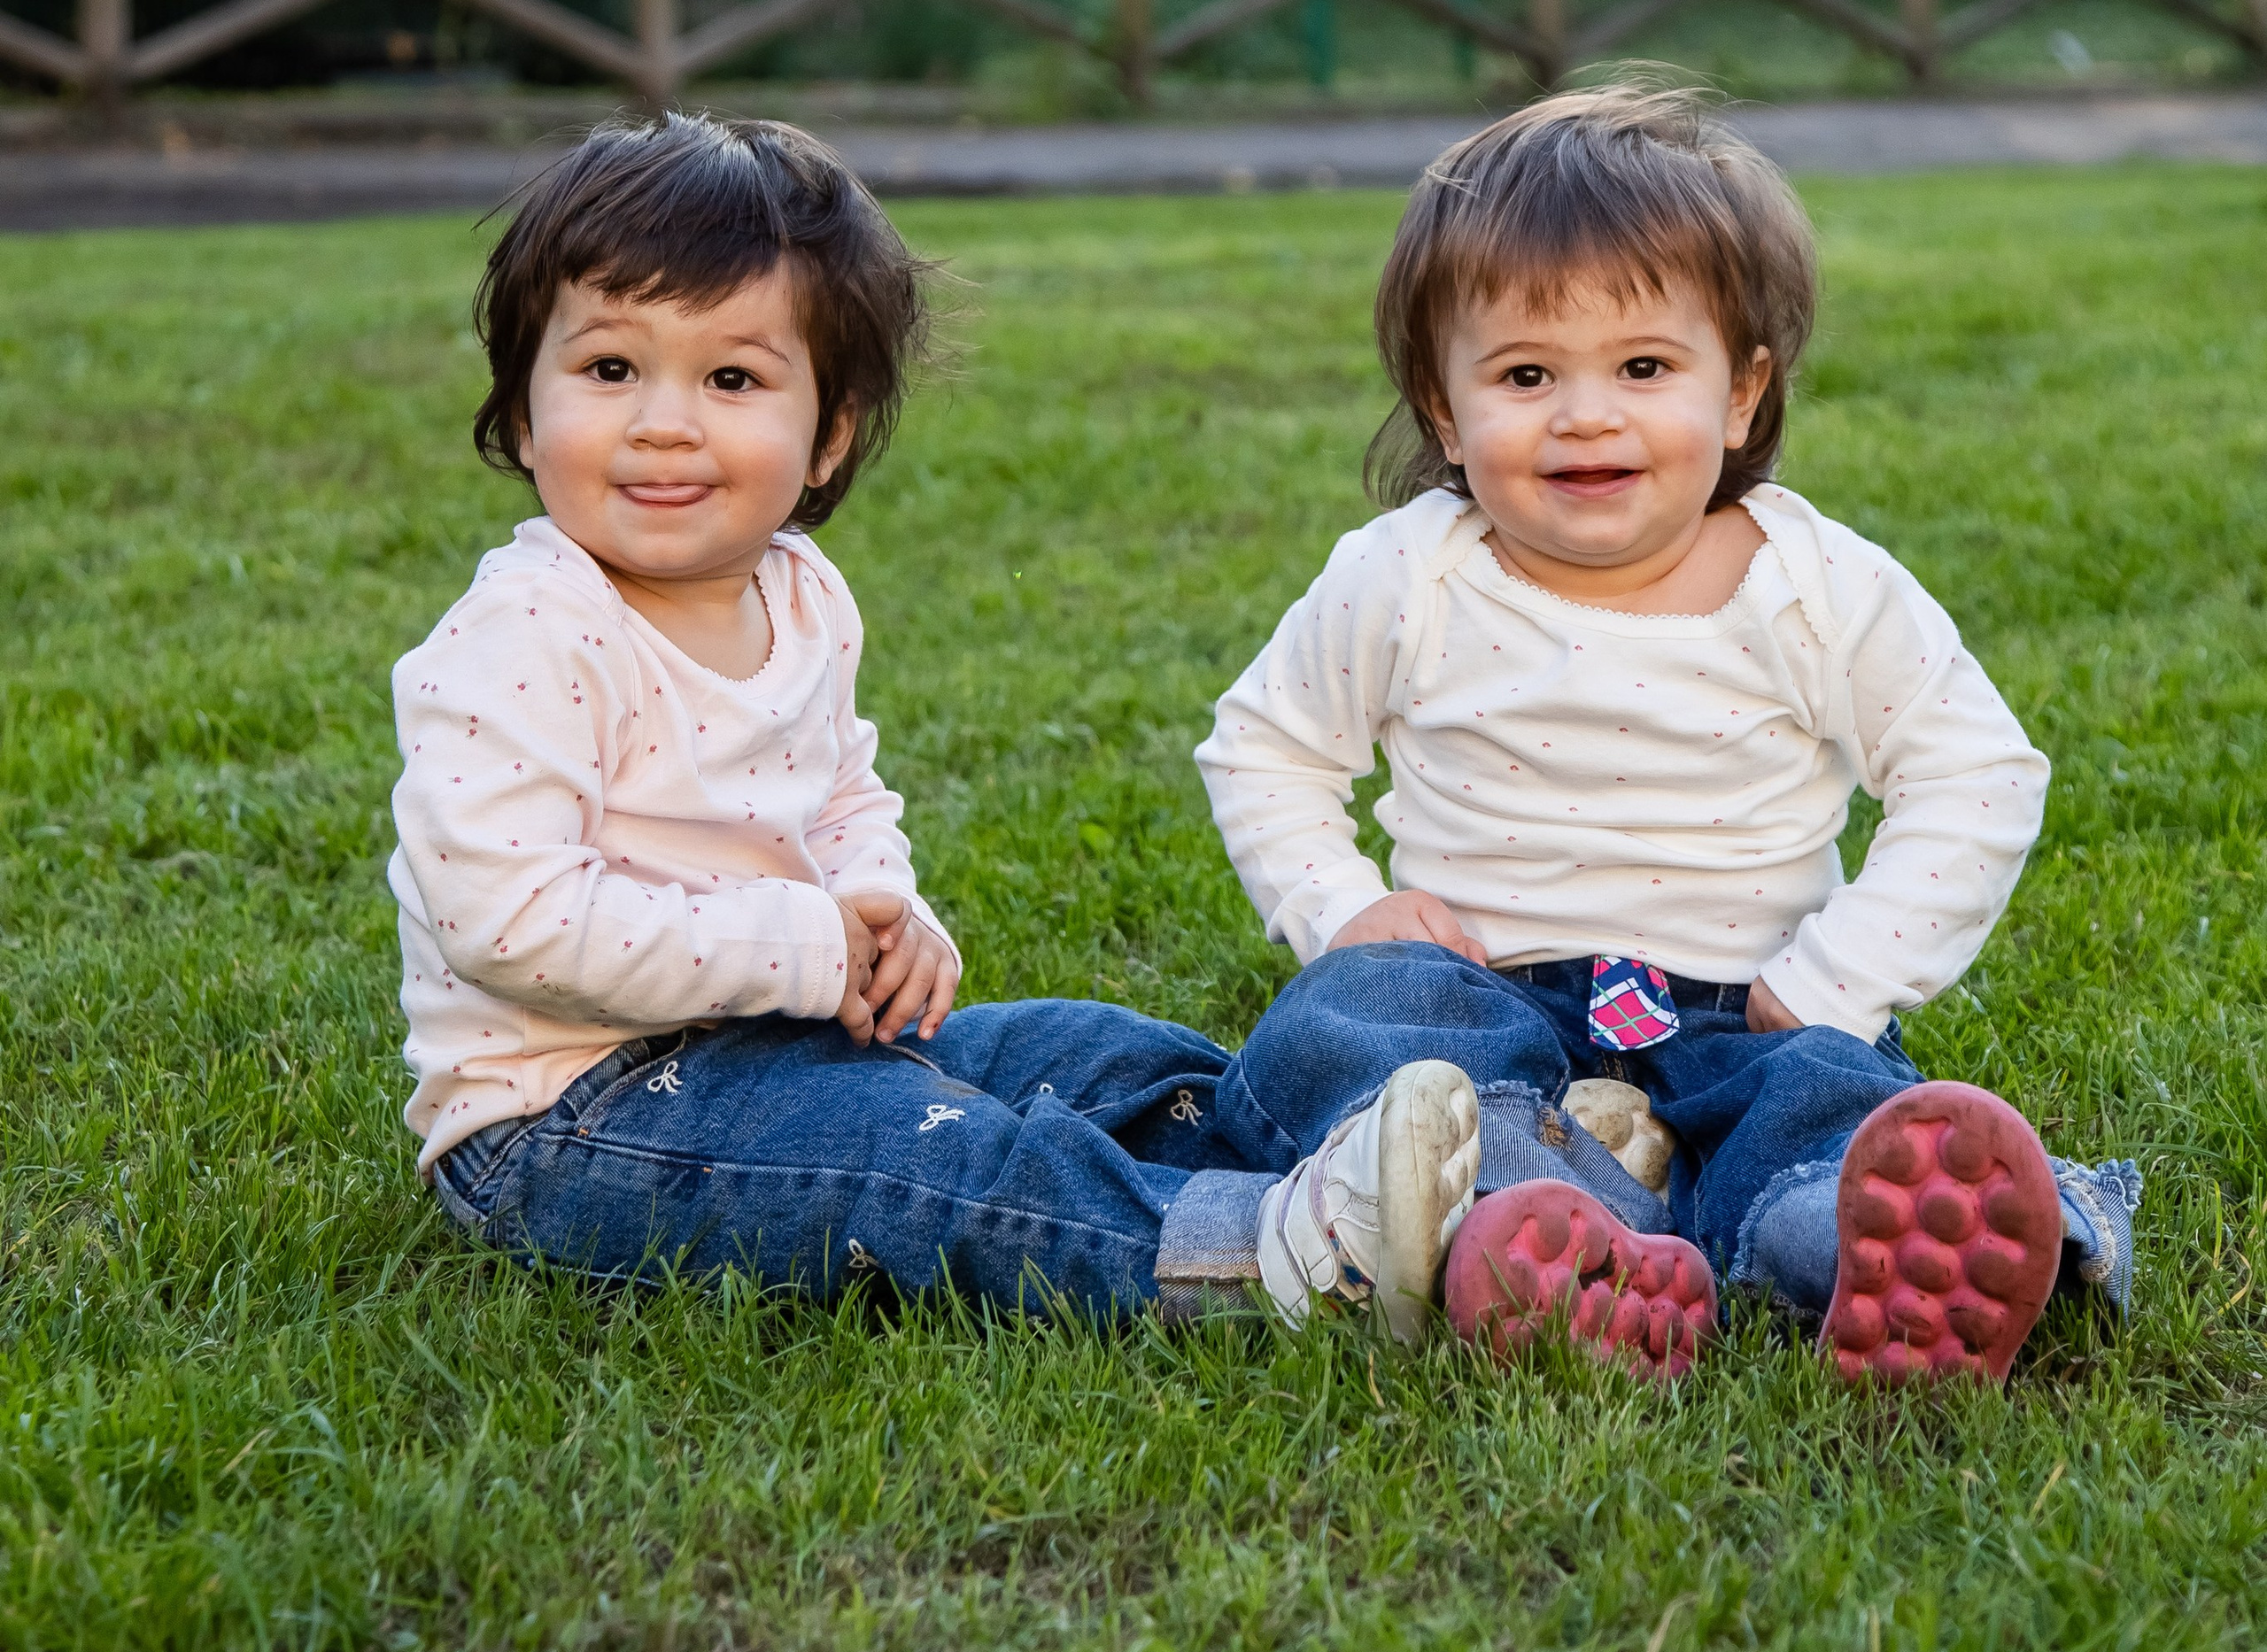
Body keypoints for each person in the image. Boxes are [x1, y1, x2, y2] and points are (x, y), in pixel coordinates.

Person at [390, 112, 1485, 1337]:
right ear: (523, 411)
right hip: (572, 1121)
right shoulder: (525, 635)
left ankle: (1448, 1181)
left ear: (829, 434)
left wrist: (883, 908)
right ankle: (1278, 1259)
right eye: (608, 371)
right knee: (941, 1159)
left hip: (789, 1044)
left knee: (1115, 1057)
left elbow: (839, 794)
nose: (663, 423)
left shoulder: (800, 594)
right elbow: (511, 925)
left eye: (732, 380)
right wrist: (807, 947)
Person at [1195, 85, 2140, 1384]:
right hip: (1485, 998)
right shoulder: (1406, 575)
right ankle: (1547, 1212)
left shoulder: (1815, 584)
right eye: (1526, 375)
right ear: (1442, 406)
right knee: (1353, 1017)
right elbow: (1268, 748)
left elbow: (1974, 773)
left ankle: (1848, 1247)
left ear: (1742, 392)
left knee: (1818, 1102)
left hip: (1747, 1006)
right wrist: (1345, 909)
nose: (1586, 415)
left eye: (1644, 369)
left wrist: (1837, 979)